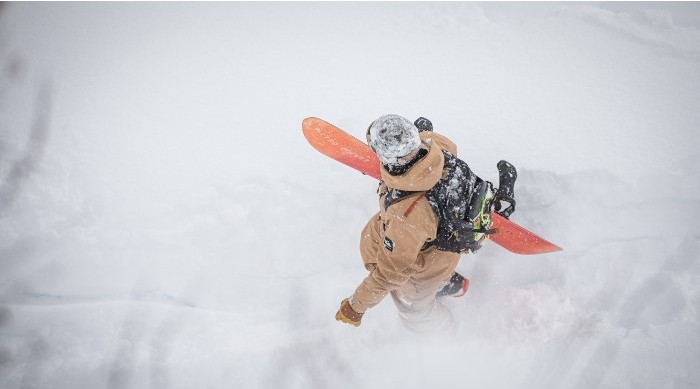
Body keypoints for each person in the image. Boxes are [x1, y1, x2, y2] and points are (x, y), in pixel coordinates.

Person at [335, 114, 516, 332]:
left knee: (415, 310)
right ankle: (446, 283)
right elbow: (442, 144)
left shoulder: (407, 216)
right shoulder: (436, 146)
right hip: (422, 238)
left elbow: (390, 274)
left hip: (424, 264)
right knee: (376, 244)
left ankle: (444, 331)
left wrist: (356, 306)